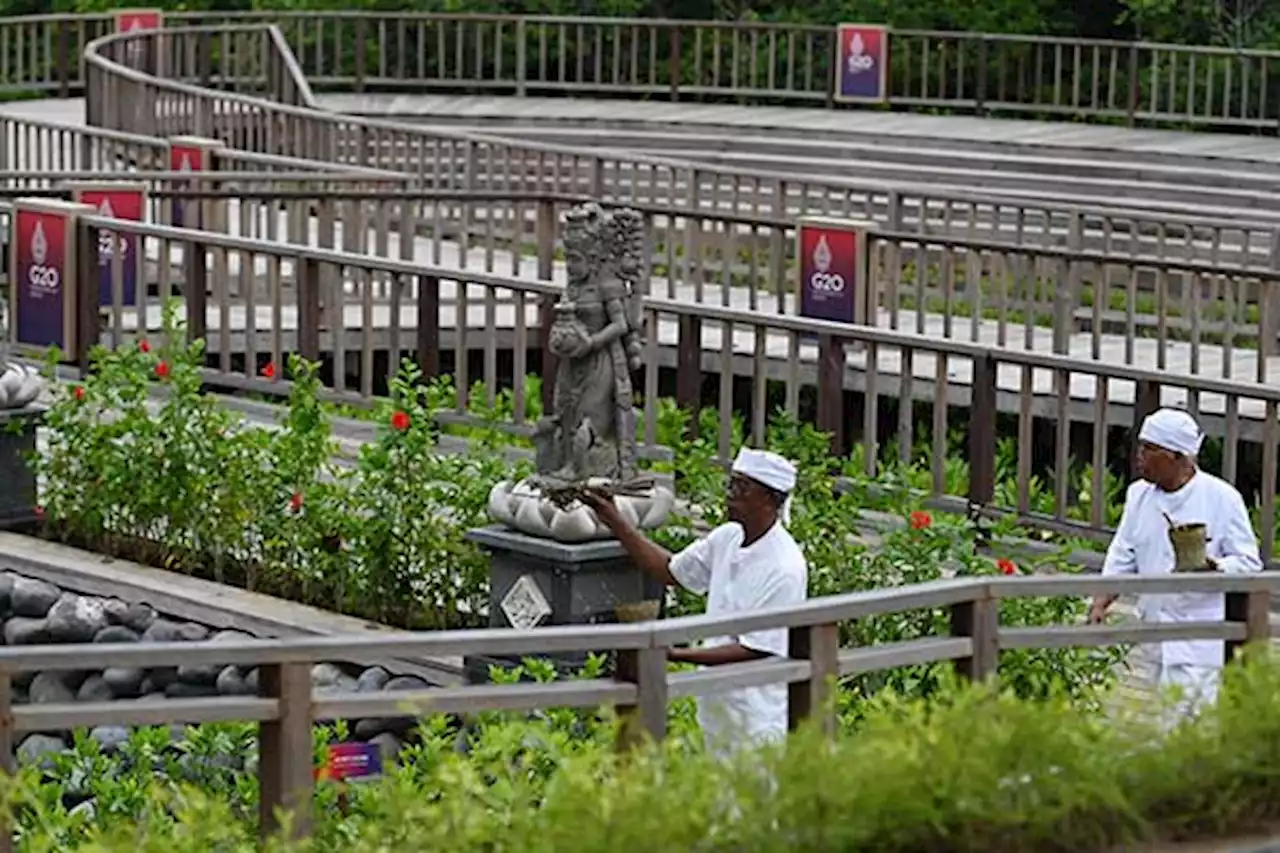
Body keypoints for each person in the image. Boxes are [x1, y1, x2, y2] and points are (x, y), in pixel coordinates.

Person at [583, 447, 808, 757]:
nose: (730, 495)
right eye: (731, 485)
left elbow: (754, 648)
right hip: (717, 706)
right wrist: (614, 519)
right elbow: (670, 570)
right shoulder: (727, 537)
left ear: (770, 500)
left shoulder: (784, 567)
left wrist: (676, 655)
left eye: (742, 488)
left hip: (754, 715)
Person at [1088, 408, 1261, 722]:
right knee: (1156, 720)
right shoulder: (1138, 495)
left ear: (1178, 457)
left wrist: (1217, 567)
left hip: (1198, 634)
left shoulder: (1222, 499)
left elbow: (1249, 562)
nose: (1139, 456)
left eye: (1149, 449)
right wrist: (1102, 599)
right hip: (1153, 629)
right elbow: (1123, 552)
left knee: (1190, 726)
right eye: (1140, 446)